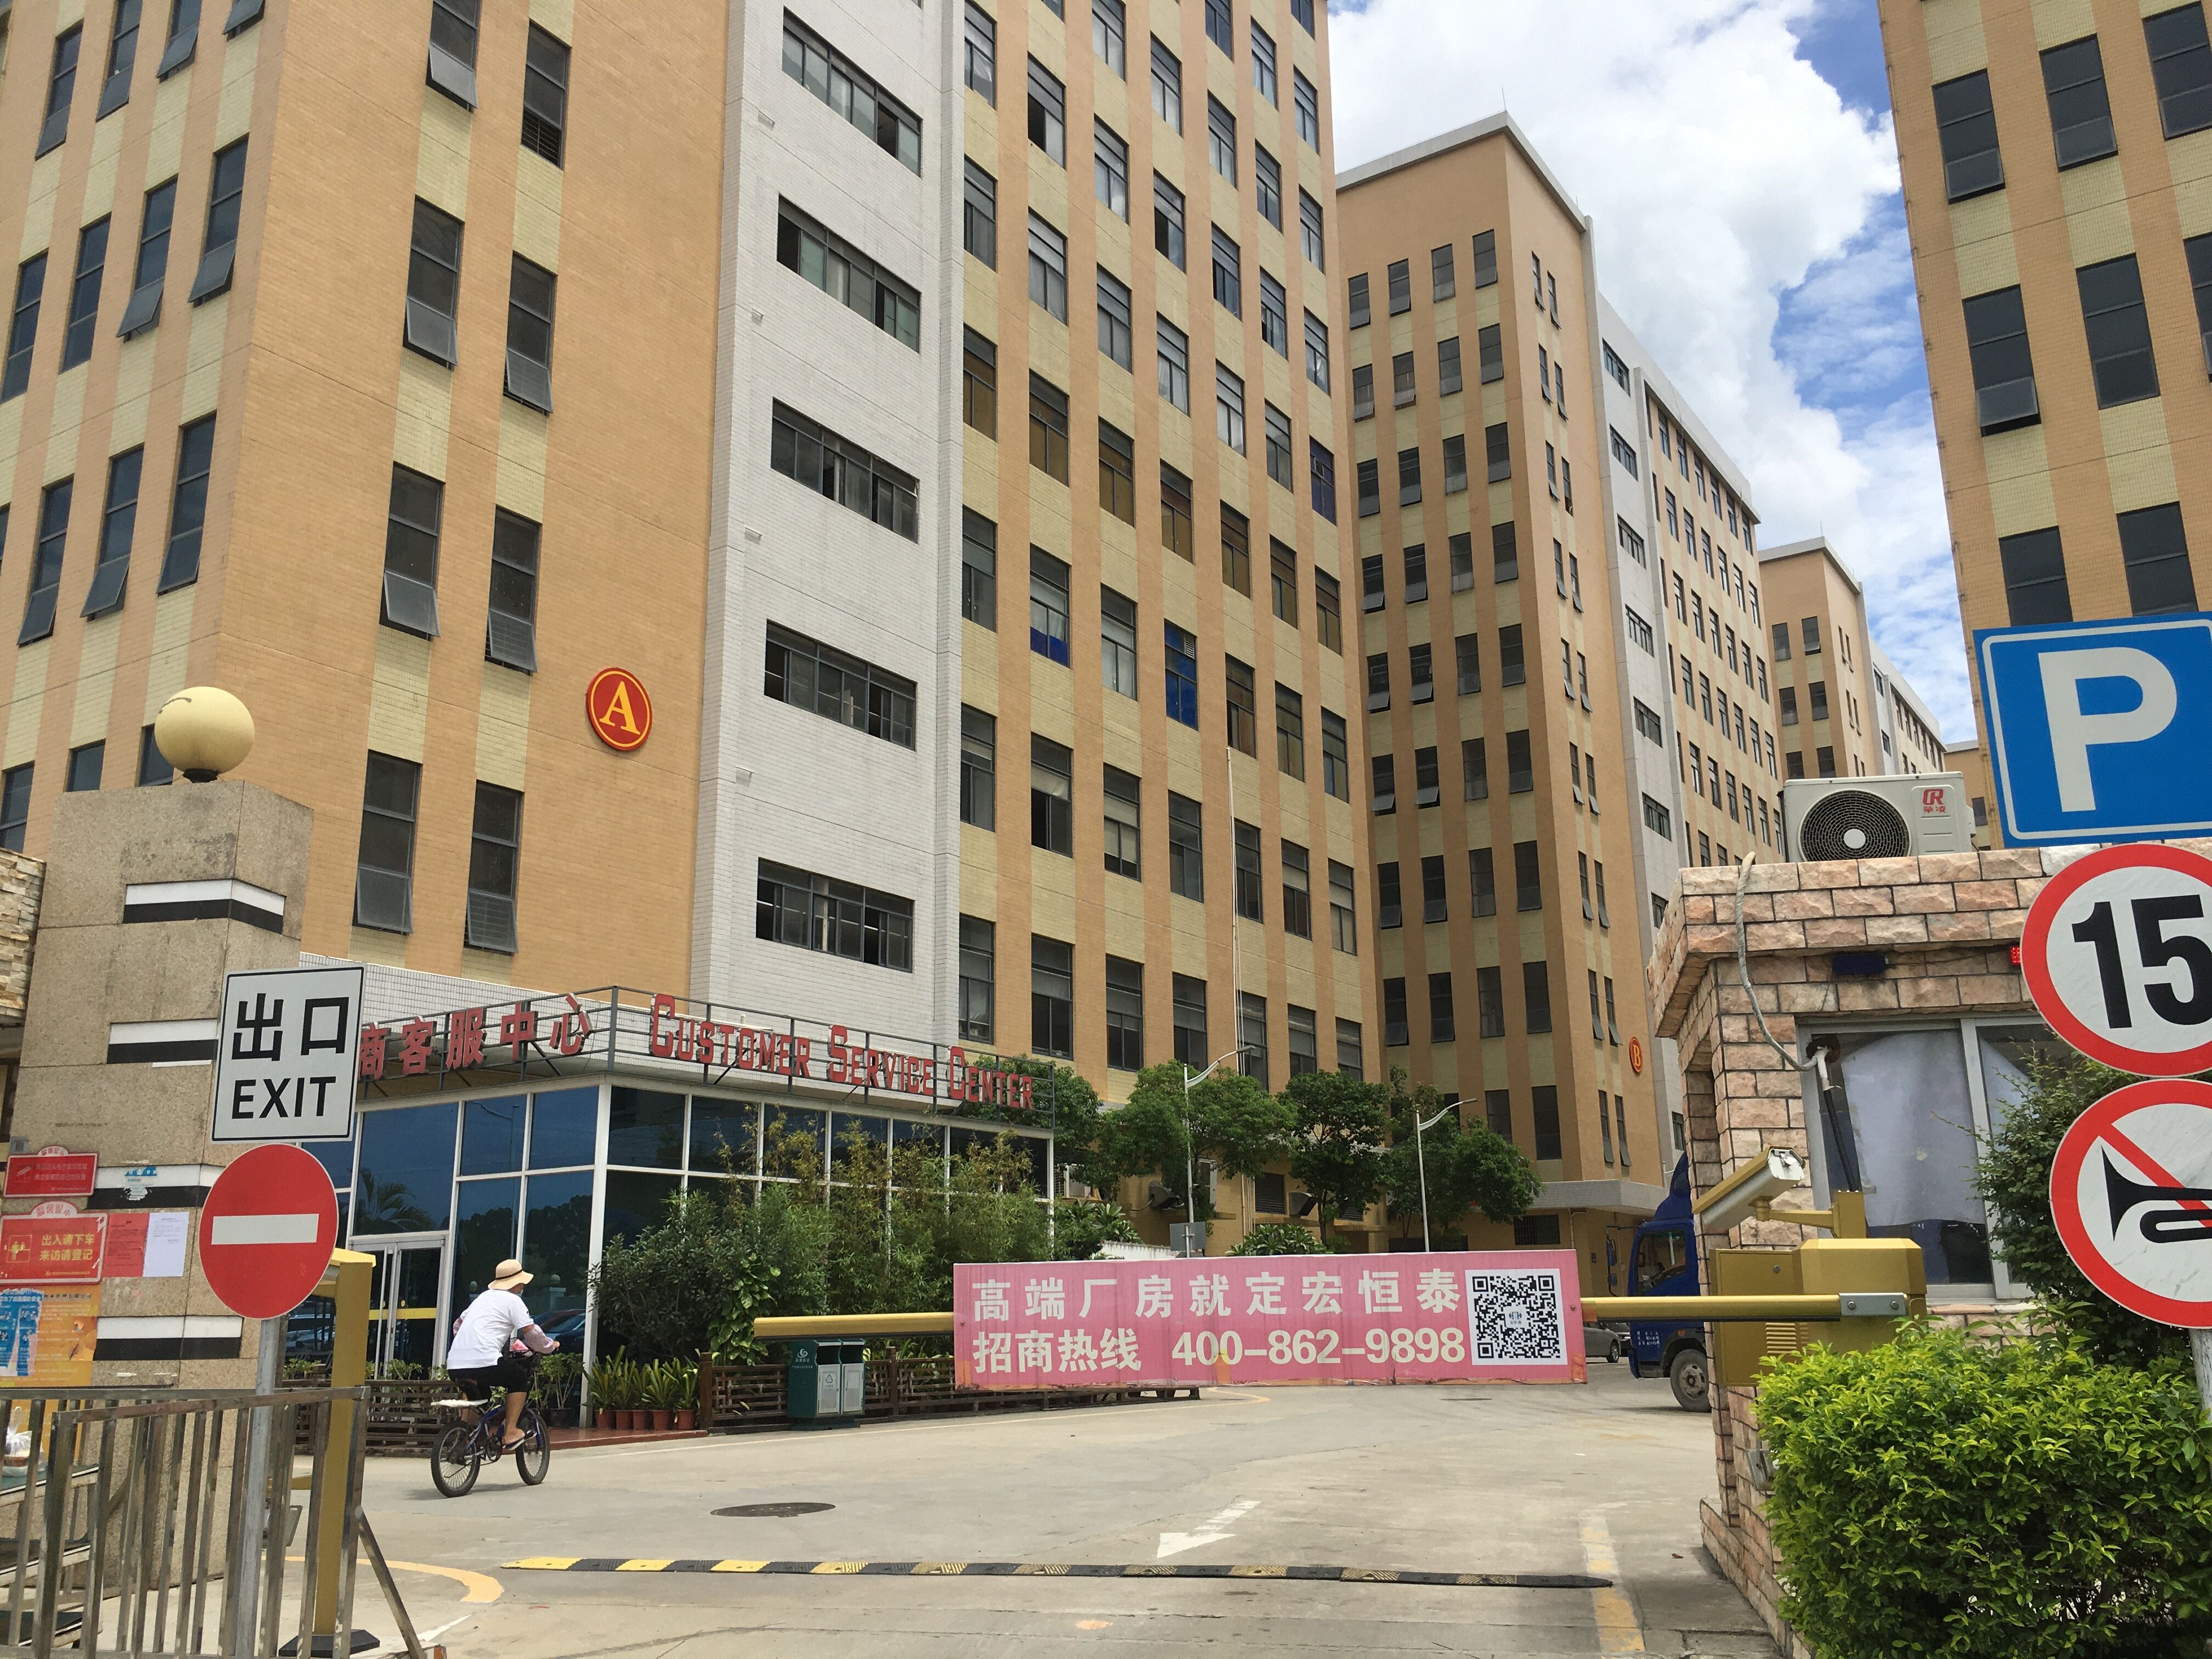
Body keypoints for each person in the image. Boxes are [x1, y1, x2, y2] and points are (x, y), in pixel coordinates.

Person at [445, 1259, 559, 1452]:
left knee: (479, 1395)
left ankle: (464, 1437)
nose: (523, 1286)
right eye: (522, 1283)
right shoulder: (513, 1301)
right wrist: (550, 1346)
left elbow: (458, 1325)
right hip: (484, 1362)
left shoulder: (482, 1298)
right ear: (516, 1283)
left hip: (455, 1365)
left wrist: (470, 1345)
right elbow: (531, 1333)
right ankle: (511, 1431)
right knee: (518, 1378)